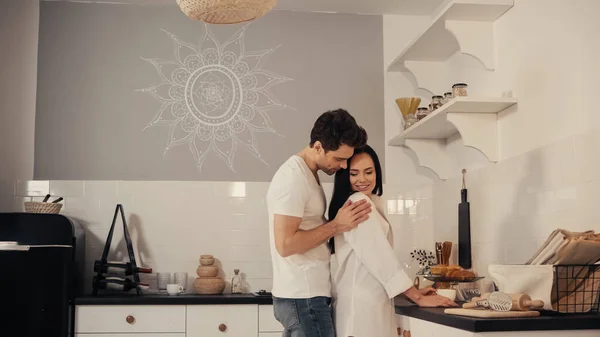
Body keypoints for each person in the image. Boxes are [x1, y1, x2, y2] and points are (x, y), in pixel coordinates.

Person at [328, 145, 458, 337]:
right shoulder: (358, 203)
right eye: (354, 173)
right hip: (361, 308)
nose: (362, 179)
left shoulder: (368, 201)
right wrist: (416, 296)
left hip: (365, 303)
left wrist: (414, 292)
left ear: (377, 173)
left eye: (368, 172)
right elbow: (381, 258)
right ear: (344, 176)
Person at [267, 109, 373, 337]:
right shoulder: (293, 178)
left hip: (305, 297)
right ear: (317, 146)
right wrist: (336, 225)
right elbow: (285, 244)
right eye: (339, 158)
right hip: (303, 298)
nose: (343, 166)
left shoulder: (308, 174)